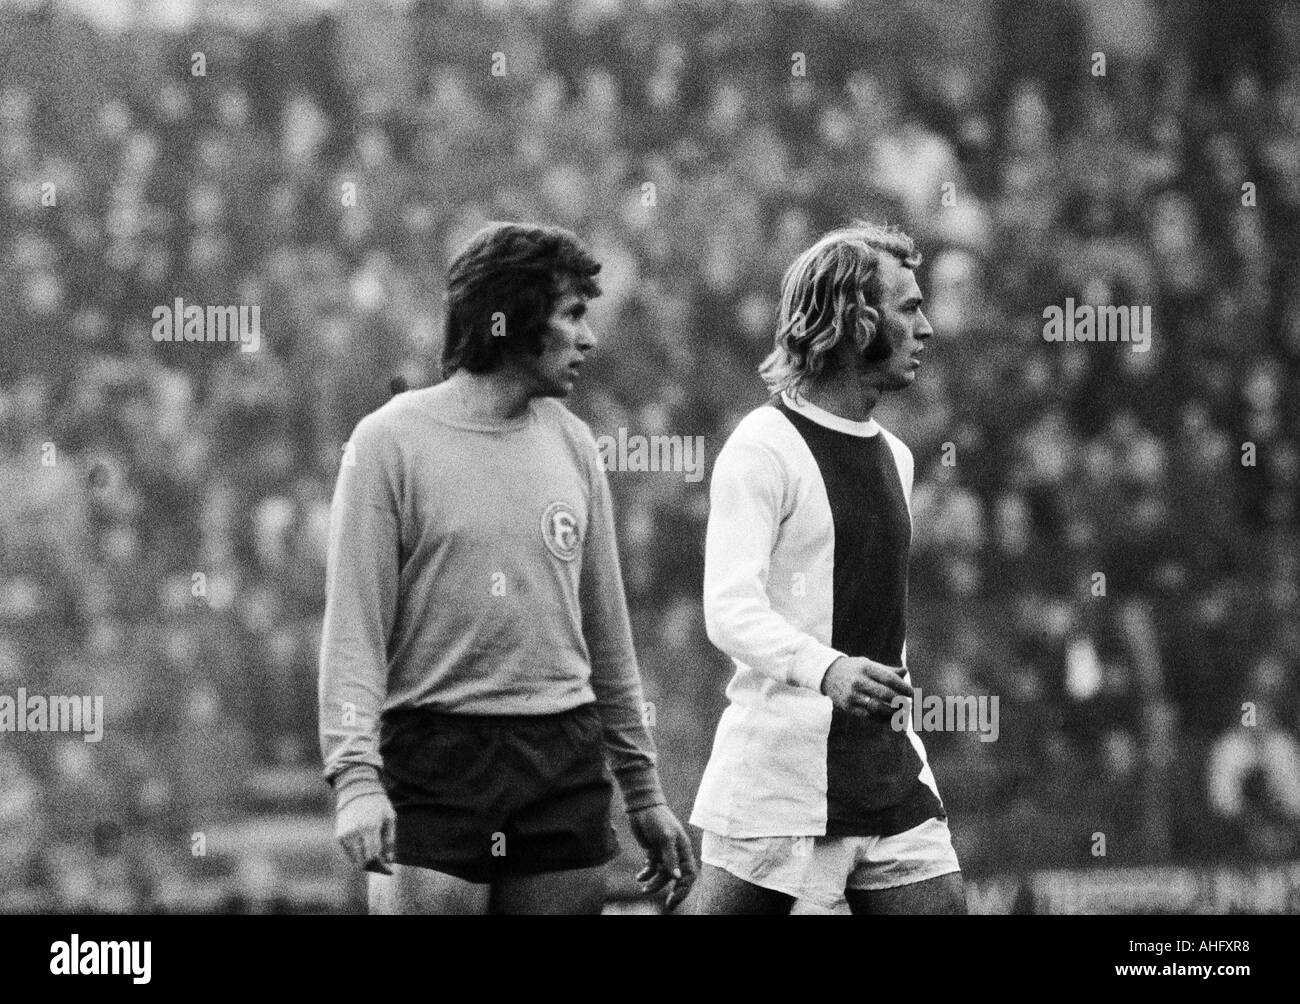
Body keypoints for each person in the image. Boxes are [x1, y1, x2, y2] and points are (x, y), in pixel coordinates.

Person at [318, 222, 696, 914]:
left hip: (562, 756)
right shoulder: (388, 442)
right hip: (434, 757)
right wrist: (355, 780)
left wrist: (643, 792)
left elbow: (606, 637)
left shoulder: (576, 446)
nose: (590, 338)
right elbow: (354, 632)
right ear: (514, 317)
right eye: (573, 314)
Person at [691, 221, 966, 914]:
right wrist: (828, 669)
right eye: (909, 308)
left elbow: (877, 622)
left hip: (888, 775)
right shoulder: (762, 447)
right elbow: (729, 608)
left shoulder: (897, 458)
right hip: (779, 781)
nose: (926, 329)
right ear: (854, 318)